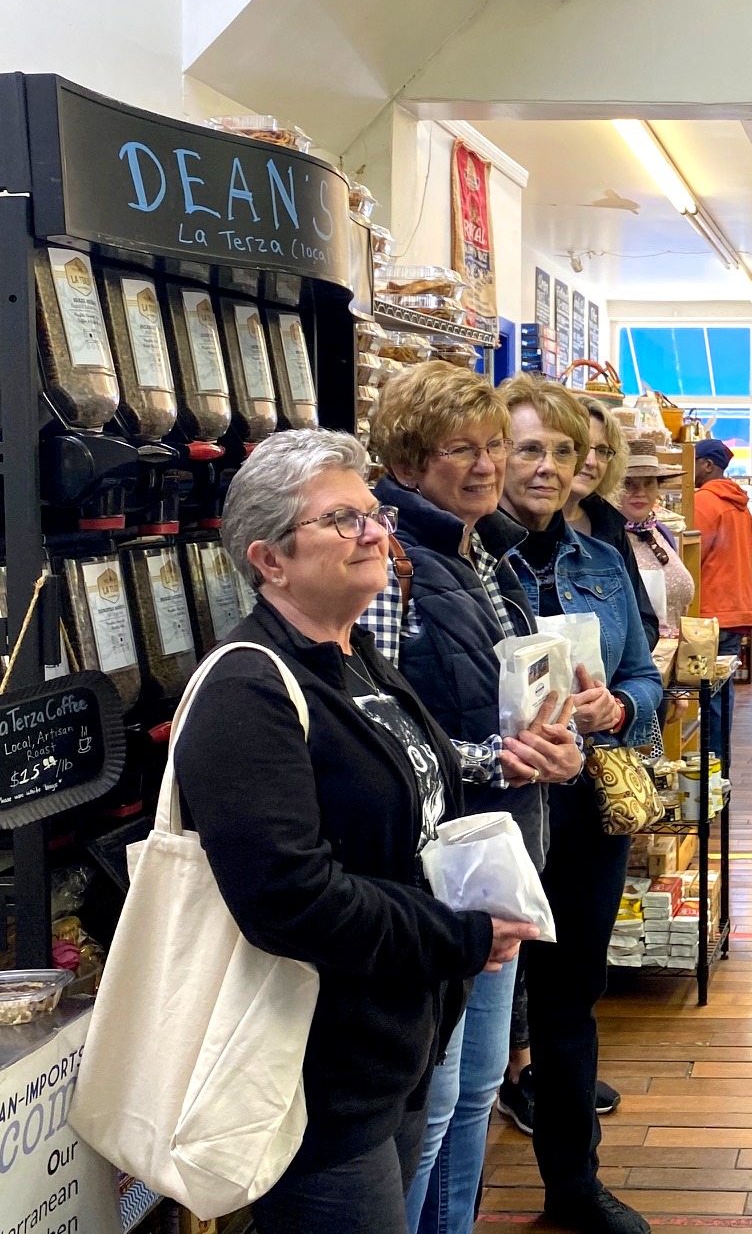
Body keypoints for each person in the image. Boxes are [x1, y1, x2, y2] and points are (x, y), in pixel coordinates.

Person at [176, 429, 533, 1234]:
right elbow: (289, 898)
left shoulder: (359, 658)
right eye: (343, 520)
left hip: (391, 1052)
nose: (376, 533)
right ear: (270, 560)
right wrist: (458, 935)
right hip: (312, 1078)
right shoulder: (248, 688)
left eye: (374, 514)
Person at [357, 363, 584, 1234]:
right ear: (409, 461)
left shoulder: (477, 549)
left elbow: (503, 697)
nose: (488, 465)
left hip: (496, 853)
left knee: (479, 1084)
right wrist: (500, 759)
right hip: (432, 868)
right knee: (437, 1093)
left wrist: (550, 739)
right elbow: (373, 722)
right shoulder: (395, 559)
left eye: (494, 445)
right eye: (463, 449)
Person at [492, 376, 664, 1234]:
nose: (548, 468)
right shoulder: (467, 561)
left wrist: (619, 707)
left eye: (563, 453)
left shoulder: (601, 560)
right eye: (529, 448)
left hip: (585, 811)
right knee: (473, 1002)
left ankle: (572, 1185)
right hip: (487, 813)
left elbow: (644, 672)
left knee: (567, 999)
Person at [565, 397, 662, 648]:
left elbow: (645, 622)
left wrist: (622, 668)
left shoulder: (610, 527)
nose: (591, 461)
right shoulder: (522, 527)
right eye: (582, 446)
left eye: (602, 451)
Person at [691, 436, 752, 781]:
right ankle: (719, 774)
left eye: (693, 462)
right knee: (721, 697)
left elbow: (689, 558)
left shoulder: (704, 501)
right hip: (734, 609)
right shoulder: (740, 505)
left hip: (708, 612)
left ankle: (708, 778)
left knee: (708, 698)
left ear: (707, 465)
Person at [617, 439, 694, 636]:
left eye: (649, 483)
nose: (640, 492)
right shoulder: (605, 540)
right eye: (629, 483)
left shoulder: (661, 533)